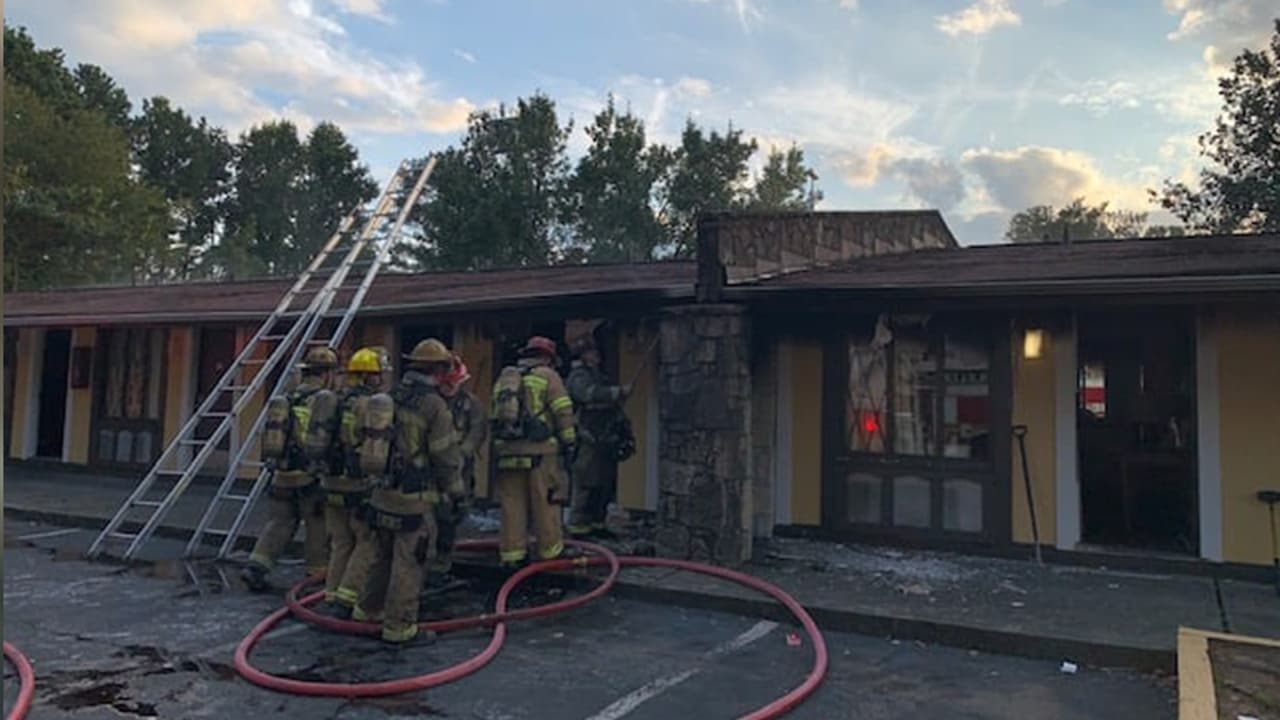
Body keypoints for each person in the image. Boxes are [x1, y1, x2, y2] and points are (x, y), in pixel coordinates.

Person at [341, 338, 462, 643]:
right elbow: (444, 456)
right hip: (414, 499)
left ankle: (367, 609)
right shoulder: (434, 405)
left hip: (382, 494)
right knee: (410, 562)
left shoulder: (389, 395)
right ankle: (399, 627)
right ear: (437, 369)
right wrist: (456, 492)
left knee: (382, 556)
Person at [242, 346, 337, 593]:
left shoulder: (287, 399)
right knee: (318, 527)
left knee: (279, 523)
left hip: (281, 476)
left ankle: (256, 568)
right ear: (326, 374)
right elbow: (326, 441)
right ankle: (316, 579)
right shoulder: (325, 401)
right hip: (310, 477)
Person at [490, 336, 578, 567]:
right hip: (540, 452)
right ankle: (550, 553)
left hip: (507, 451)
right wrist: (569, 442)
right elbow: (563, 411)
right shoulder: (548, 376)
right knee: (545, 501)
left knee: (511, 505)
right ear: (548, 357)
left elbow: (495, 416)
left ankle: (512, 555)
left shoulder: (505, 378)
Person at [321, 346, 392, 616]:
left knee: (340, 542)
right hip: (358, 484)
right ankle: (347, 598)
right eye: (379, 373)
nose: (382, 378)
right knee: (367, 541)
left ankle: (331, 593)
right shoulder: (371, 405)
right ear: (369, 376)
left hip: (330, 481)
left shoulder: (333, 399)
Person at [428, 353, 488, 587]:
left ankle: (441, 565)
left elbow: (477, 433)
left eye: (454, 383)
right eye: (446, 383)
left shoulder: (471, 404)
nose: (450, 387)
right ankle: (423, 563)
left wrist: (459, 455)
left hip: (459, 470)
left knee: (450, 517)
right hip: (431, 469)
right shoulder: (430, 402)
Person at [565, 334, 630, 539]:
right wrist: (617, 392)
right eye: (592, 352)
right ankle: (577, 527)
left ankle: (597, 524)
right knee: (586, 483)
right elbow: (588, 394)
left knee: (603, 484)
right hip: (586, 439)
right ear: (583, 356)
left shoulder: (598, 375)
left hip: (604, 438)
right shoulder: (578, 377)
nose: (597, 355)